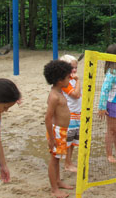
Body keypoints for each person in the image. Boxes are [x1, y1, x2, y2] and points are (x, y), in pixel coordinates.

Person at [44, 60, 74, 198]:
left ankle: (58, 181)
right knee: (54, 160)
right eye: (68, 77)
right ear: (59, 80)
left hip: (62, 131)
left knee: (58, 158)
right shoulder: (54, 96)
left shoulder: (60, 91)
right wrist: (51, 138)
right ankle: (54, 189)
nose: (70, 79)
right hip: (56, 132)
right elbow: (48, 118)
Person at [59, 54, 82, 173]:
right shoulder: (65, 83)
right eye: (71, 67)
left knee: (73, 141)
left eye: (75, 67)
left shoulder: (73, 80)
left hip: (77, 114)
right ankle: (67, 163)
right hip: (70, 115)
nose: (74, 70)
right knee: (68, 142)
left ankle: (69, 161)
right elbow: (76, 94)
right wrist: (78, 81)